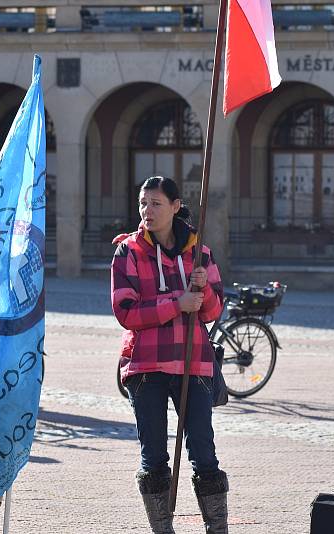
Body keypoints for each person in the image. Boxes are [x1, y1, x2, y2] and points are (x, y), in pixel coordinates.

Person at [110, 176, 227, 534]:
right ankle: (162, 530)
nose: (147, 210)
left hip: (194, 361)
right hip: (145, 367)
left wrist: (203, 291)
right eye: (143, 203)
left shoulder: (200, 251)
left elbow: (213, 311)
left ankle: (217, 529)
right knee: (154, 456)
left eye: (156, 203)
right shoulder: (127, 251)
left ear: (176, 206)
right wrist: (175, 303)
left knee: (204, 451)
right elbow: (125, 312)